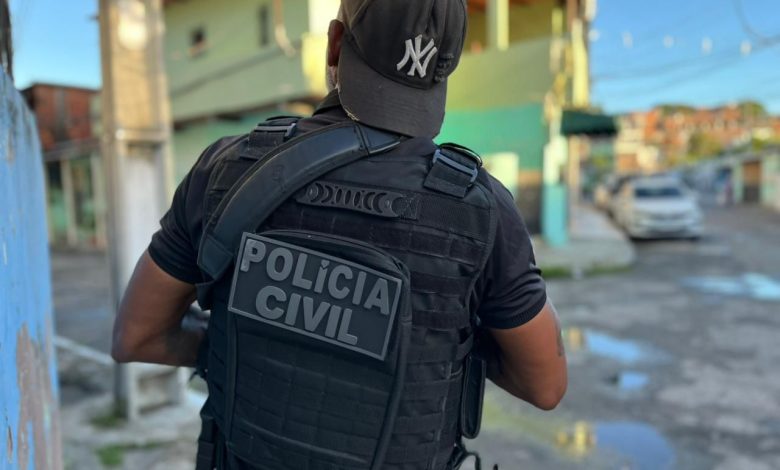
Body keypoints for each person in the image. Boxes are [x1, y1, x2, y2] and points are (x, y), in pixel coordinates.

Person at [111, 0, 567, 468]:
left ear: (334, 44)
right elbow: (545, 385)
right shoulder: (480, 210)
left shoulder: (226, 171)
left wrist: (244, 343)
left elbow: (137, 336)